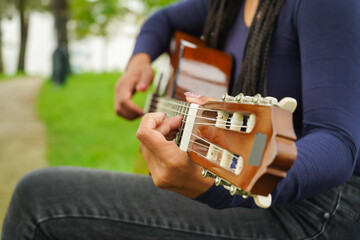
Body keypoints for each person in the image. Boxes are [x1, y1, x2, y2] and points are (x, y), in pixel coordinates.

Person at [2, 0, 360, 239]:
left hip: (316, 209)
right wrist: (139, 59)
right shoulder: (227, 3)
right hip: (260, 192)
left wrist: (221, 187)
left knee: (39, 200)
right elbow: (164, 18)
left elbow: (338, 141)